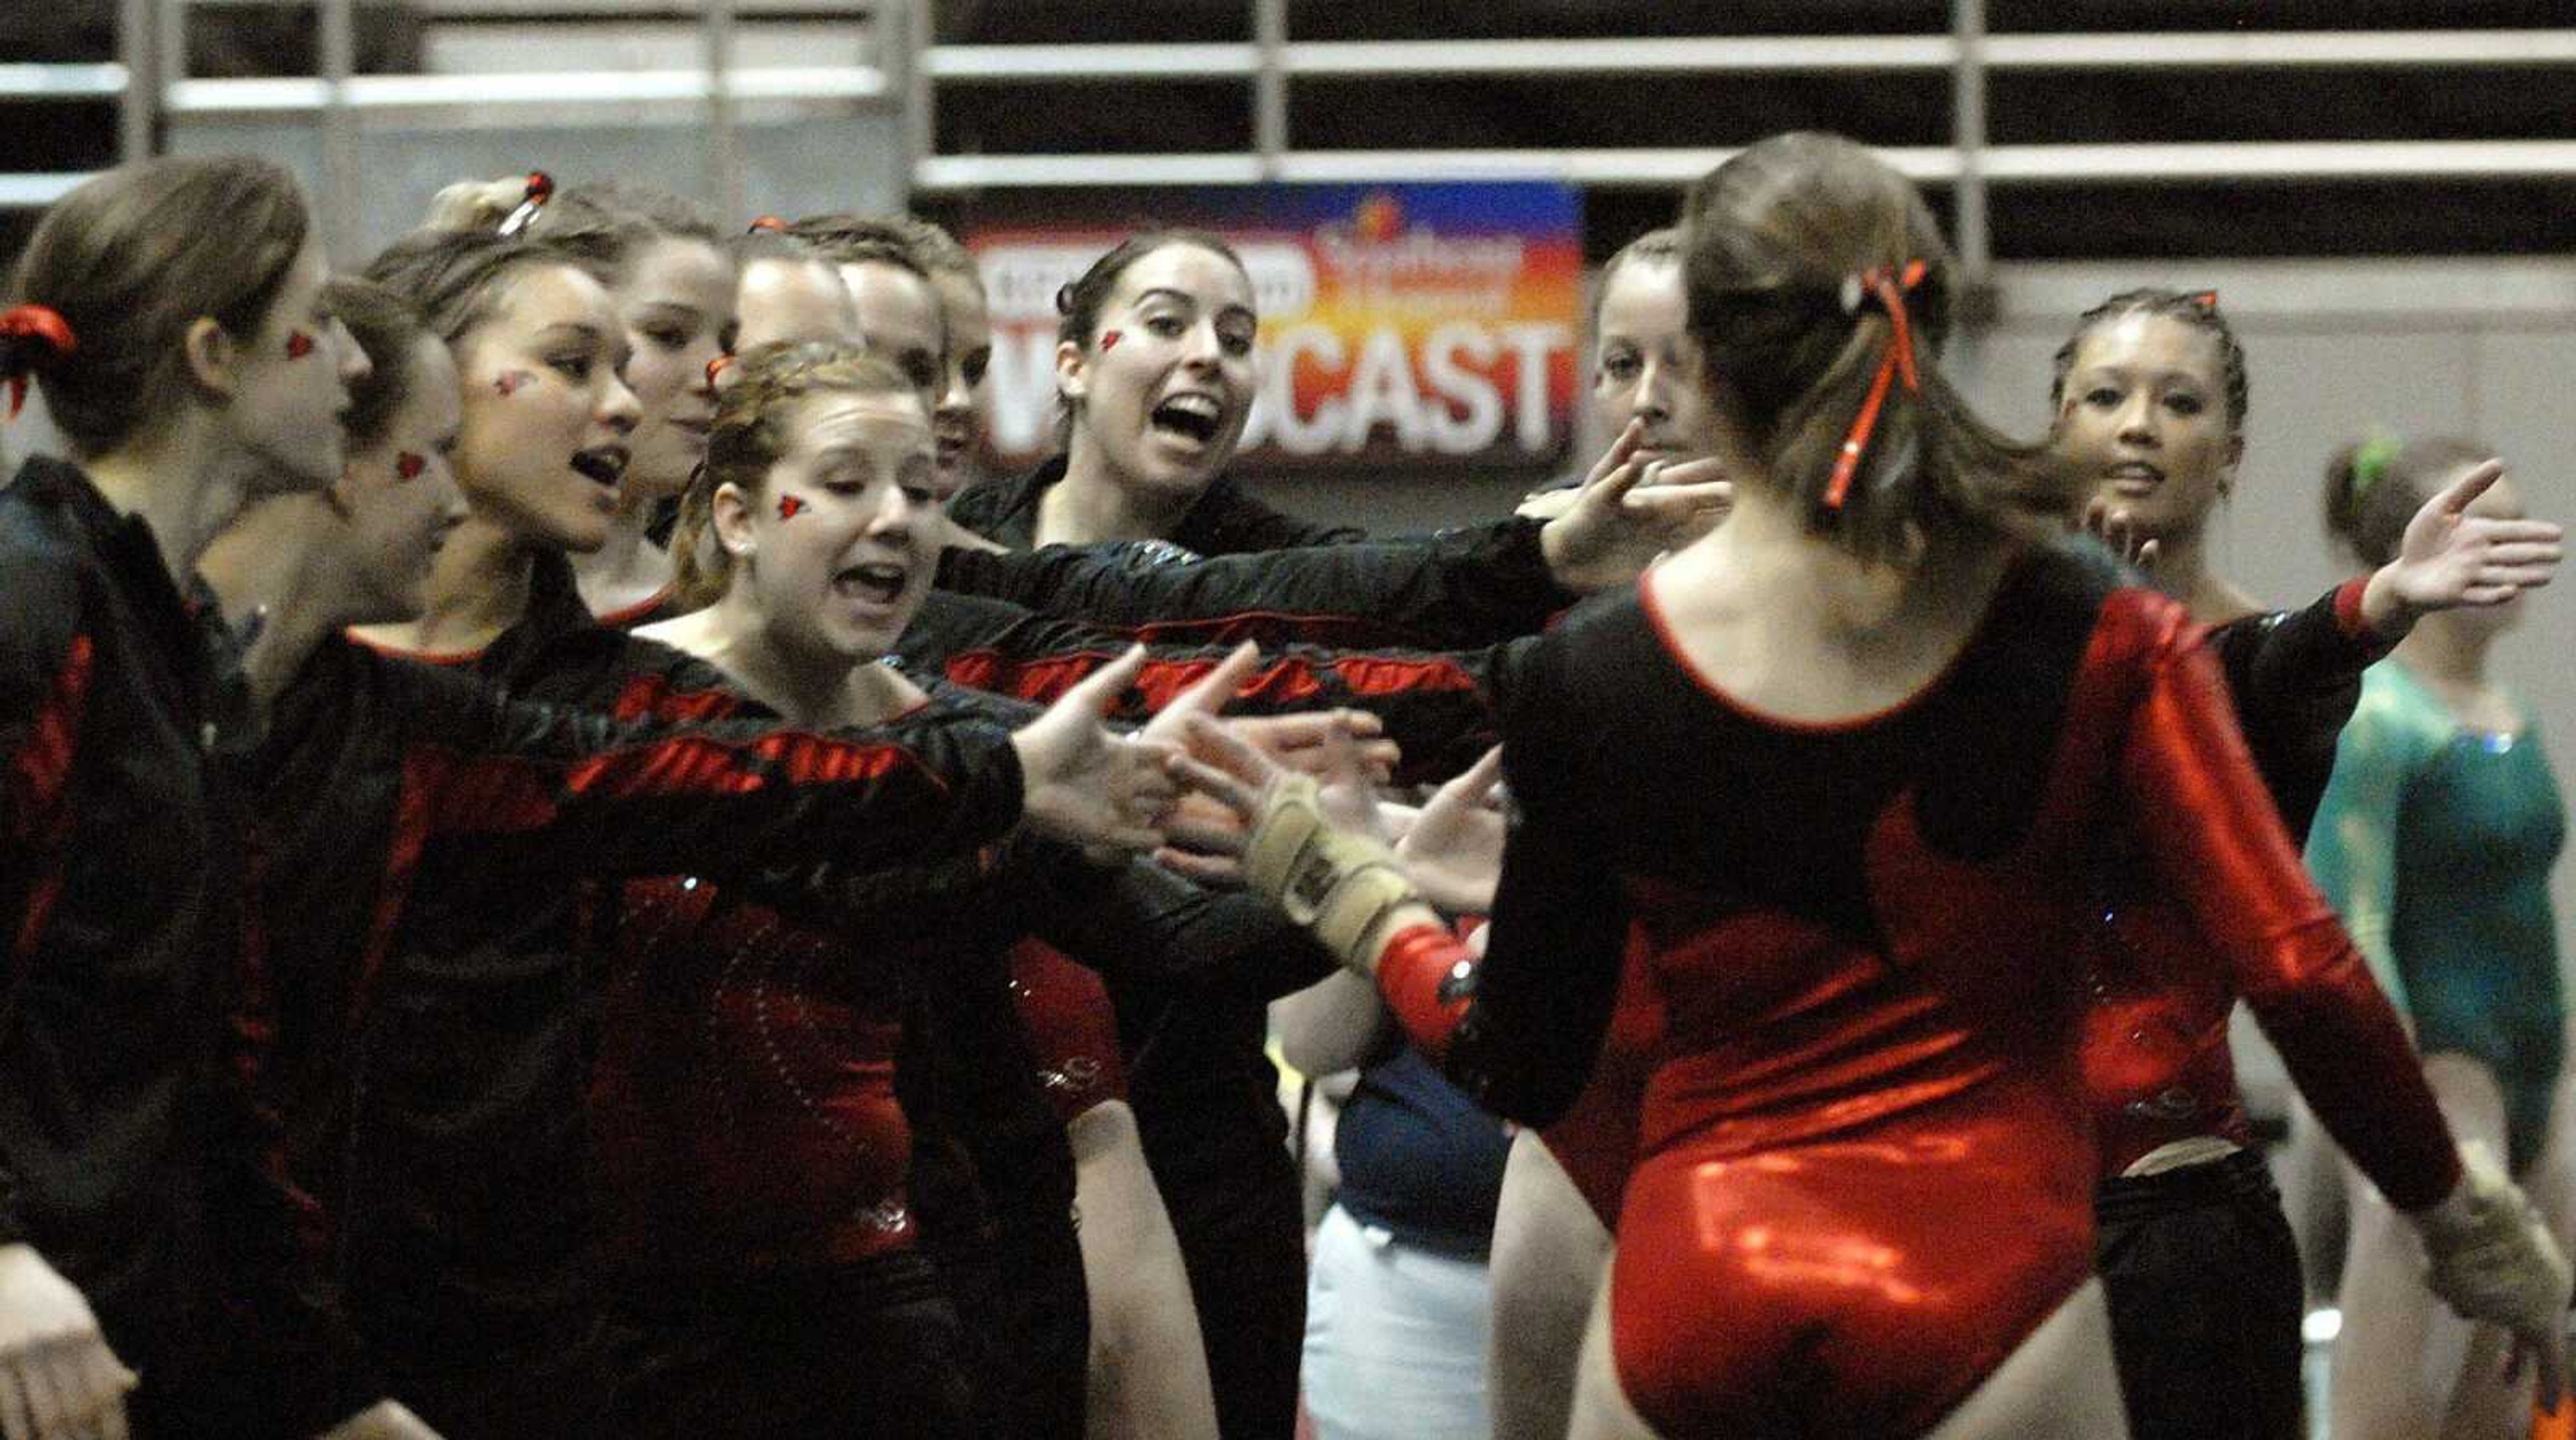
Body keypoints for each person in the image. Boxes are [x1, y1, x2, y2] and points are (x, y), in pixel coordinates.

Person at [1177, 130, 2569, 1439]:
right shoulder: (2089, 628)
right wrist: (2464, 1220)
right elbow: (2302, 965)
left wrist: (1350, 889)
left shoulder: (1585, 674)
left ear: (1707, 374)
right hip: (1990, 1296)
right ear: (1931, 342)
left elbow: (1522, 1059)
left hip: (1695, 1288)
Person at [2051, 290, 2567, 1440]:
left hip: (2175, 1215)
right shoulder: (1968, 643)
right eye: (2106, 395)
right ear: (2055, 431)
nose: (2139, 424)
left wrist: (2373, 605)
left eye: (2177, 402)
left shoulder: (2253, 667)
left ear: (2228, 458)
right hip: (1985, 1210)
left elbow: (2278, 665)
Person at [0, 154, 399, 1440]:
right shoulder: (30, 600)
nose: (351, 364)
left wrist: (330, 1385)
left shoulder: (182, 641)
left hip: (120, 1349)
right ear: (215, 355)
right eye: (323, 319)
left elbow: (214, 1074)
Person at [2311, 435, 2576, 1440]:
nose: (2511, 551)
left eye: (2521, 526)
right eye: (2485, 530)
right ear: (2416, 555)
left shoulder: (2508, 707)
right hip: (2436, 1072)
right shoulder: (2377, 717)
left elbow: (2526, 909)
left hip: (2538, 1066)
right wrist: (2391, 1112)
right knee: (2390, 1405)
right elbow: (2354, 927)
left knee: (2517, 1382)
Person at [946, 228, 1364, 556]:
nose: (1210, 354)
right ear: (1075, 368)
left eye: (1235, 340)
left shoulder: (1282, 567)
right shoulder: (956, 540)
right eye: (1166, 324)